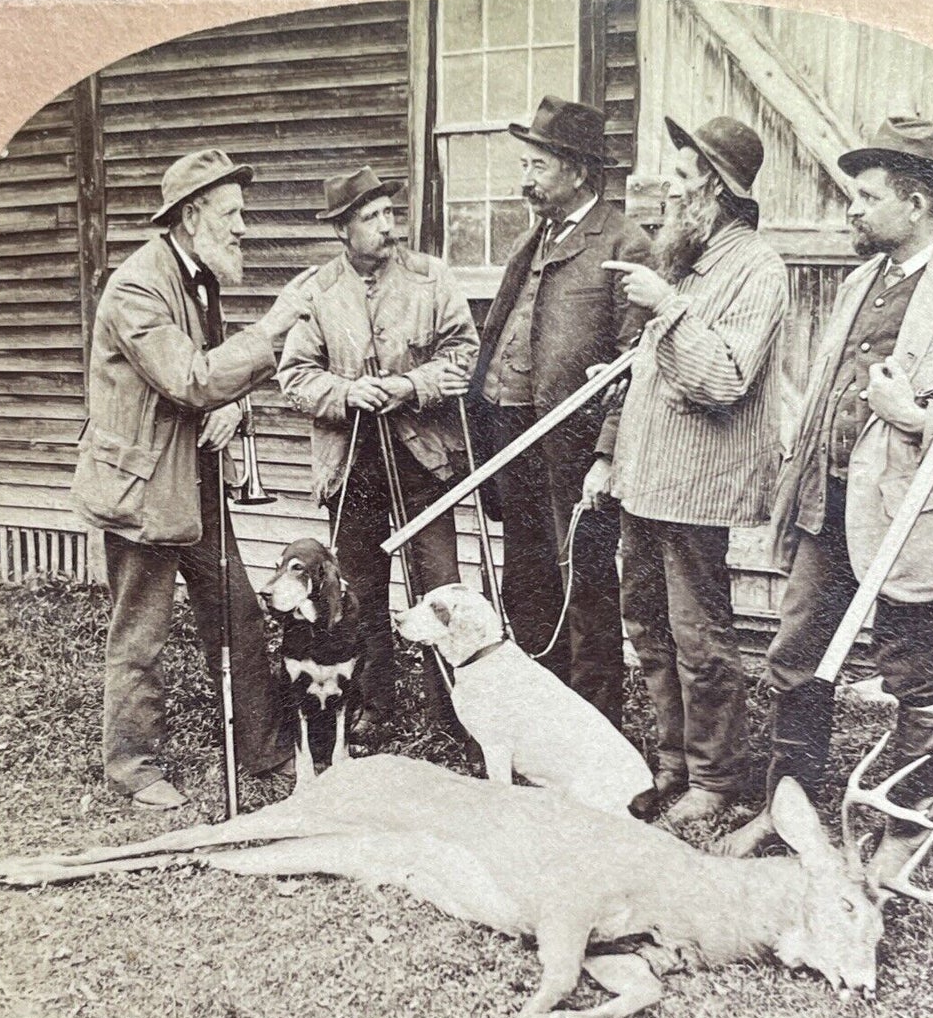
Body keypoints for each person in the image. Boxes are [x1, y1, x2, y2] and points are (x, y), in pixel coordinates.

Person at [721, 116, 933, 864]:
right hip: (828, 505)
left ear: (918, 202)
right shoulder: (860, 281)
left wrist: (916, 416)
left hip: (915, 518)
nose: (850, 210)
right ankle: (786, 810)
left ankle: (903, 826)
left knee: (914, 669)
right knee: (795, 653)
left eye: (865, 197)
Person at [71, 148, 312, 808]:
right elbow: (188, 377)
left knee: (235, 612)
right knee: (140, 632)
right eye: (232, 214)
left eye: (242, 213)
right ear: (189, 216)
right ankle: (131, 766)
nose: (243, 227)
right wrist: (273, 326)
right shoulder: (136, 288)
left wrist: (234, 403)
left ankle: (262, 750)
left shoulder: (198, 276)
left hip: (196, 479)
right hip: (143, 489)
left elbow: (210, 378)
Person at [582, 116, 787, 823]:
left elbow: (723, 378)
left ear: (714, 190)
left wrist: (667, 308)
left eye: (679, 177)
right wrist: (608, 453)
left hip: (695, 489)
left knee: (699, 637)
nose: (665, 190)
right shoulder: (684, 260)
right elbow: (649, 376)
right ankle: (669, 763)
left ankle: (713, 778)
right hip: (643, 481)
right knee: (646, 624)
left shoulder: (757, 268)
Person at [468, 96, 651, 727]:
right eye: (525, 163)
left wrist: (605, 452)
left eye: (537, 165)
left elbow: (635, 363)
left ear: (576, 171)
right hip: (511, 433)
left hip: (573, 448)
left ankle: (593, 724)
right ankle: (540, 714)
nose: (526, 179)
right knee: (528, 573)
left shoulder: (625, 242)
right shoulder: (534, 238)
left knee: (586, 583)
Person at [278, 167, 478, 734]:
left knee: (440, 585)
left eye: (390, 214)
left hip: (424, 458)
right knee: (358, 591)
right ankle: (374, 706)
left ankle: (451, 712)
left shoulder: (430, 278)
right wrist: (346, 392)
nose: (387, 228)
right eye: (371, 218)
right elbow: (294, 378)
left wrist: (410, 386)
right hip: (352, 466)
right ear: (342, 228)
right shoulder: (315, 293)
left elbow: (464, 354)